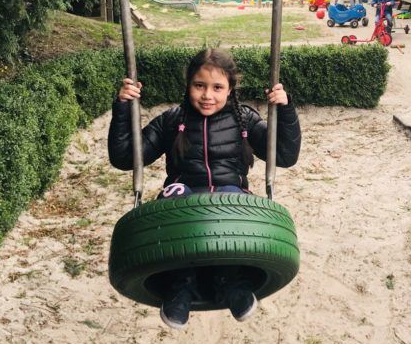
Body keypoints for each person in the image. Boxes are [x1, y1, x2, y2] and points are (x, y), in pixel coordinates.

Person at [108, 48, 301, 329]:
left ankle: (232, 281)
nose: (207, 95)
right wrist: (124, 108)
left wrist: (285, 109)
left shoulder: (244, 120)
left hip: (230, 195)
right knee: (176, 198)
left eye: (217, 87)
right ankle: (181, 286)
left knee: (233, 200)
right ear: (188, 86)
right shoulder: (172, 121)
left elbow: (285, 156)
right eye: (200, 86)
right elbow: (126, 158)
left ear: (230, 89)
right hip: (183, 196)